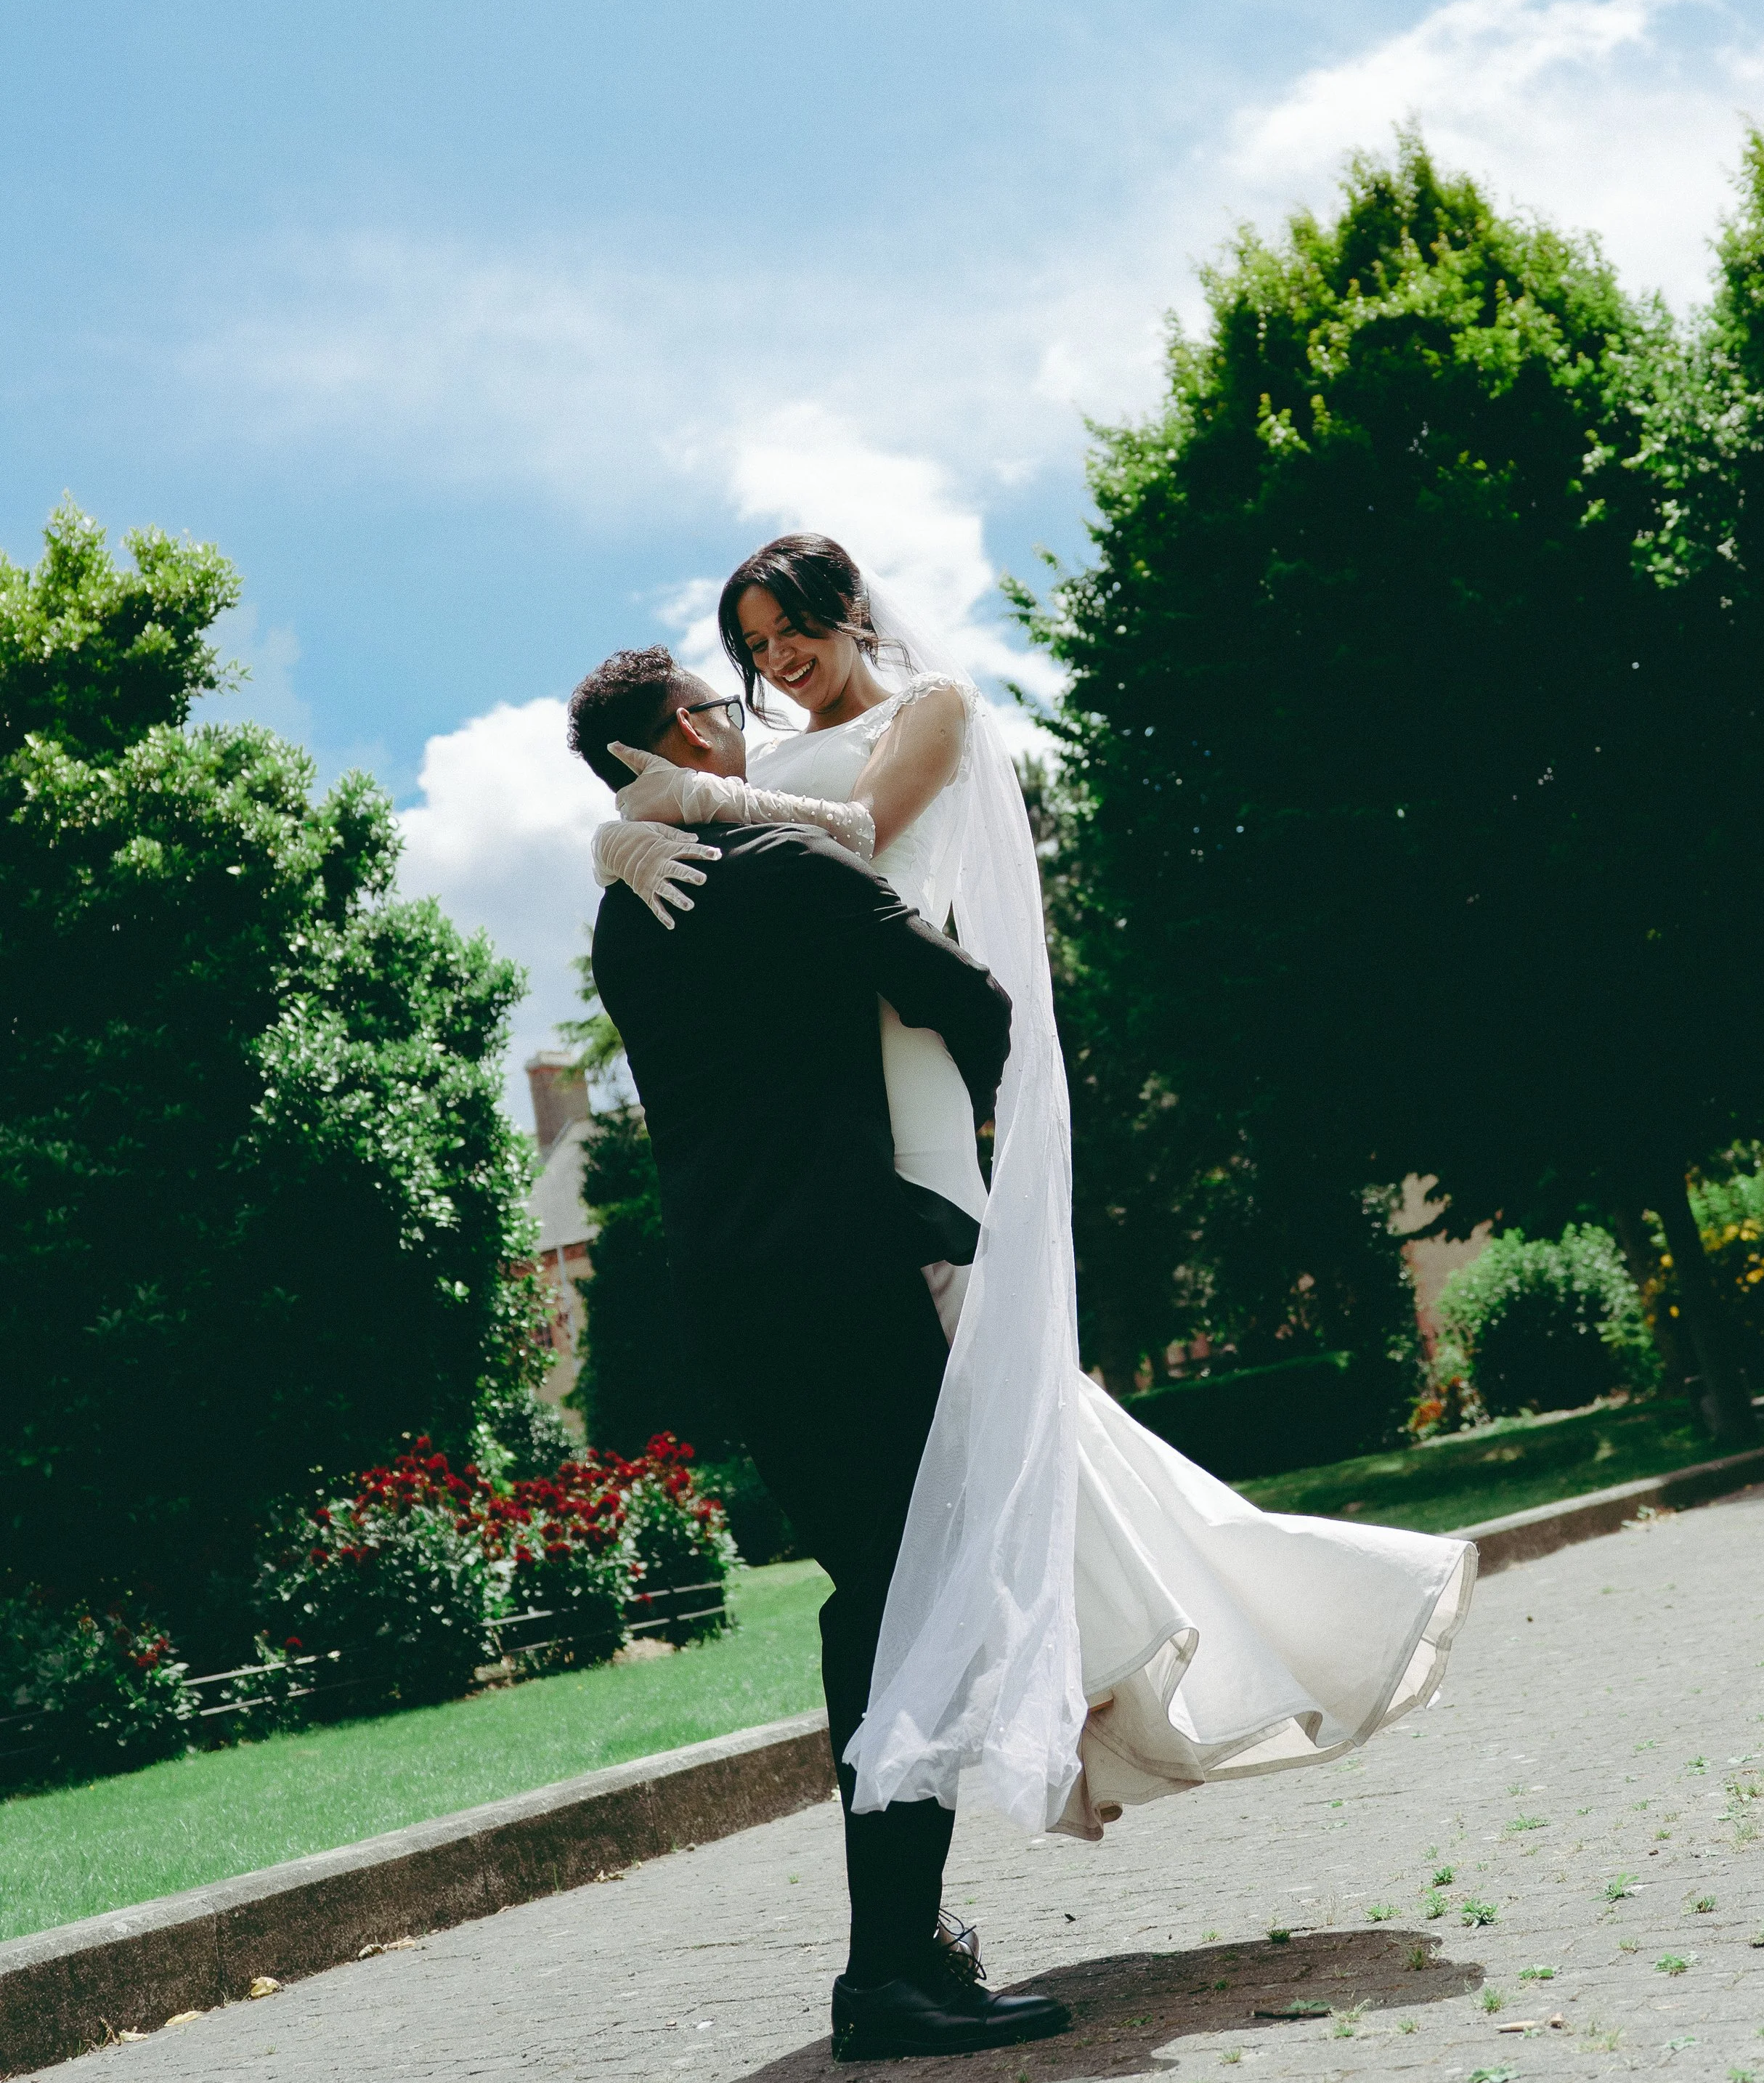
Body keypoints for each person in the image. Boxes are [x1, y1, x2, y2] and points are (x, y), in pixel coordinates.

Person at [593, 535, 1477, 1850]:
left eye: (792, 633)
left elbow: (860, 837)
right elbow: (718, 845)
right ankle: (1123, 1645)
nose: (777, 662)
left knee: (977, 1404)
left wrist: (699, 808)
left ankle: (1154, 1646)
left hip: (907, 1057)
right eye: (754, 648)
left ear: (848, 614)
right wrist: (623, 834)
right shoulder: (754, 763)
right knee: (987, 1425)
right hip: (825, 1073)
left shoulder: (931, 711)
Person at [573, 646, 1071, 2062]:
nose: (744, 721)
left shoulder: (626, 915)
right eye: (722, 707)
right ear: (682, 728)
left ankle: (899, 1952)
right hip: (853, 1274)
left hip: (723, 1297)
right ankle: (891, 1967)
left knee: (872, 1587)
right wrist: (987, 1172)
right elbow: (971, 1001)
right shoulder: (797, 879)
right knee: (910, 1594)